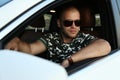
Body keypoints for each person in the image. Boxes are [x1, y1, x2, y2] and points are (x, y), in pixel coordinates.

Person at [5, 6, 111, 68]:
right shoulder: (52, 38)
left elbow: (105, 46)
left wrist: (69, 61)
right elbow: (31, 49)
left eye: (77, 22)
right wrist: (18, 43)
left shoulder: (84, 38)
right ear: (59, 23)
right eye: (68, 22)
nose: (73, 26)